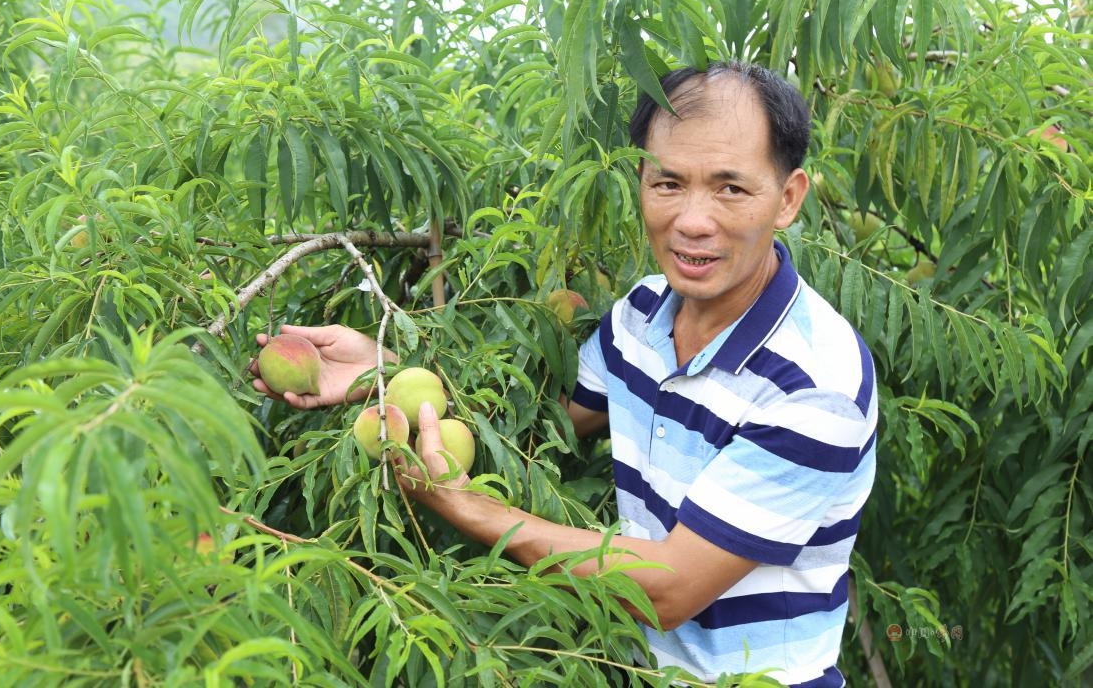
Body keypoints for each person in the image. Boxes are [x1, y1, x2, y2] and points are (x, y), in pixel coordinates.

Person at [254, 62, 878, 687]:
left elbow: (669, 588)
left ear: (789, 198)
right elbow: (533, 425)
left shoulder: (815, 383)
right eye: (668, 183)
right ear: (640, 179)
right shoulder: (641, 315)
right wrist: (385, 374)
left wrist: (470, 509)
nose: (692, 220)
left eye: (730, 189)